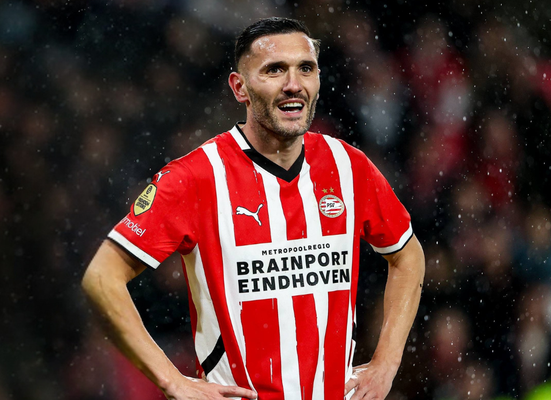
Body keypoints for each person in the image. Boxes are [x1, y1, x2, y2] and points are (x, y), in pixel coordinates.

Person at [82, 17, 425, 400]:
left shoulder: (349, 166)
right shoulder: (196, 177)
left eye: (305, 68)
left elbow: (407, 255)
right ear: (239, 87)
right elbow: (102, 278)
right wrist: (171, 379)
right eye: (274, 70)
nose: (293, 84)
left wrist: (387, 362)